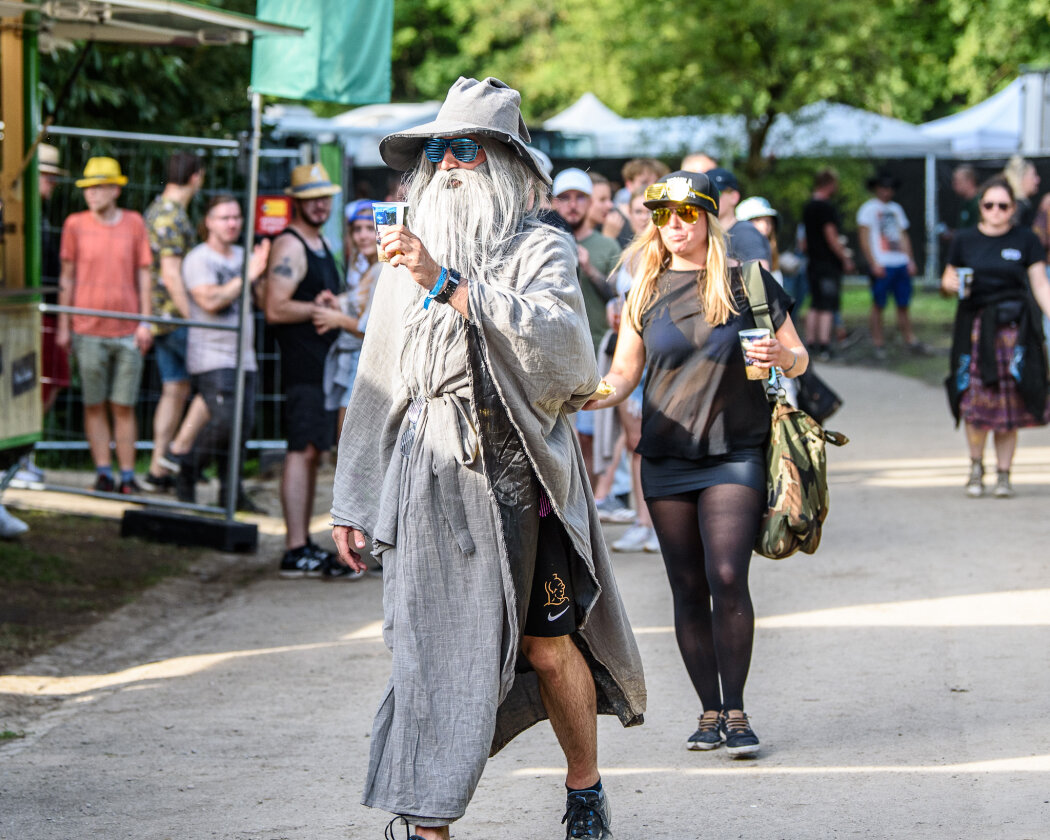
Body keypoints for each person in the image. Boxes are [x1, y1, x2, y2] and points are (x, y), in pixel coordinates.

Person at [329, 76, 645, 840]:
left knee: (546, 646)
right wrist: (352, 497)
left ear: (503, 162)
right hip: (430, 471)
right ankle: (426, 820)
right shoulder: (400, 262)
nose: (446, 165)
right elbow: (377, 379)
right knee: (426, 648)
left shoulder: (542, 246)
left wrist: (451, 283)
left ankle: (585, 786)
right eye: (435, 151)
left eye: (463, 149)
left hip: (522, 471)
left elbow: (568, 355)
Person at [587, 169, 807, 758]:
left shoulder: (750, 282)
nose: (674, 226)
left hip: (735, 453)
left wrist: (781, 354)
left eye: (686, 214)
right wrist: (581, 395)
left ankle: (736, 711)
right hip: (666, 458)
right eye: (662, 216)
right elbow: (623, 375)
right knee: (685, 587)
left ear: (709, 217)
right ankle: (707, 711)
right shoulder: (643, 290)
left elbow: (800, 356)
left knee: (728, 576)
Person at [941, 176, 1050, 499]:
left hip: (1015, 333)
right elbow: (948, 279)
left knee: (1009, 406)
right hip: (975, 332)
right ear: (981, 208)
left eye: (1003, 206)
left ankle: (1004, 474)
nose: (996, 211)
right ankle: (976, 467)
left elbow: (1040, 285)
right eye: (989, 205)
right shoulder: (964, 239)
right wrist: (951, 285)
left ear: (1013, 209)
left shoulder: (1026, 240)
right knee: (975, 402)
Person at [264, 163, 347, 578]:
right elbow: (275, 307)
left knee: (312, 452)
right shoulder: (291, 245)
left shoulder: (318, 243)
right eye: (311, 197)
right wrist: (319, 310)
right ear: (296, 200)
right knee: (301, 450)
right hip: (303, 368)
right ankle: (295, 547)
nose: (319, 204)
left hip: (322, 368)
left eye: (324, 196)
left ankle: (302, 544)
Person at [56, 157, 153, 494]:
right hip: (86, 329)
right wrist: (64, 324)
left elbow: (144, 274)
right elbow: (66, 278)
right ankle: (103, 472)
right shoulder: (74, 224)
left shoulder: (135, 223)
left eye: (98, 187)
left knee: (123, 405)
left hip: (127, 330)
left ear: (115, 189)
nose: (91, 194)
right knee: (94, 403)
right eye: (87, 188)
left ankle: (127, 476)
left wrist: (146, 322)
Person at [177, 195, 270, 513]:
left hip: (244, 356)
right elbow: (210, 301)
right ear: (208, 222)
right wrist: (249, 275)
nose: (232, 223)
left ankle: (231, 494)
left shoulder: (246, 256)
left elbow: (261, 301)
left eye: (236, 217)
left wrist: (262, 275)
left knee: (241, 428)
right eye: (223, 217)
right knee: (225, 422)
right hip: (211, 357)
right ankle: (187, 468)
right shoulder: (197, 259)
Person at [552, 166, 622, 491]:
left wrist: (589, 268)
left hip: (596, 356)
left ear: (590, 202)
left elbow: (620, 300)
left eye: (580, 198)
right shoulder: (545, 242)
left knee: (591, 438)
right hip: (556, 359)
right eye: (564, 198)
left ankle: (591, 503)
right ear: (553, 202)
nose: (572, 205)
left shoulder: (607, 247)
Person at [141, 152, 205, 492]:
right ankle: (178, 455)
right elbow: (170, 273)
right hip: (176, 317)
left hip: (159, 316)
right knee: (214, 385)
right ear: (196, 176)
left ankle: (157, 469)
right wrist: (196, 319)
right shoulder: (170, 215)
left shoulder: (158, 209)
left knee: (175, 389)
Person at [316, 199, 380, 440]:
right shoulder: (371, 267)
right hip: (357, 361)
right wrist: (337, 303)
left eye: (369, 228)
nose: (363, 236)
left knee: (350, 439)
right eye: (357, 229)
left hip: (368, 364)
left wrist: (337, 319)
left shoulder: (383, 269)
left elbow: (373, 329)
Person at [856, 172, 926, 359]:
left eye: (890, 188)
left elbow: (903, 235)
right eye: (883, 187)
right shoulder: (868, 209)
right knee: (879, 304)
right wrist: (873, 263)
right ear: (877, 188)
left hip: (900, 263)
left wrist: (909, 259)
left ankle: (909, 339)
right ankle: (878, 342)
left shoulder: (896, 209)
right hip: (882, 264)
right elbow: (864, 238)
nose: (887, 191)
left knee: (903, 303)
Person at [802, 168, 855, 361]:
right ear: (830, 184)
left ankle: (810, 343)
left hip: (813, 263)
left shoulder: (808, 207)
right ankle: (824, 345)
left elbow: (804, 240)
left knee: (814, 303)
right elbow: (831, 235)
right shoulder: (826, 208)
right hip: (827, 264)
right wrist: (845, 258)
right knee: (827, 305)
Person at [706, 168, 772, 266]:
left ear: (734, 197)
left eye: (716, 193)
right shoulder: (707, 231)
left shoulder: (744, 232)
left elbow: (761, 273)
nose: (710, 198)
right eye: (705, 194)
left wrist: (722, 262)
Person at [1002, 155, 1040, 228]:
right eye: (1033, 175)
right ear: (1020, 178)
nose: (1037, 180)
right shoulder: (1018, 208)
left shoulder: (1022, 205)